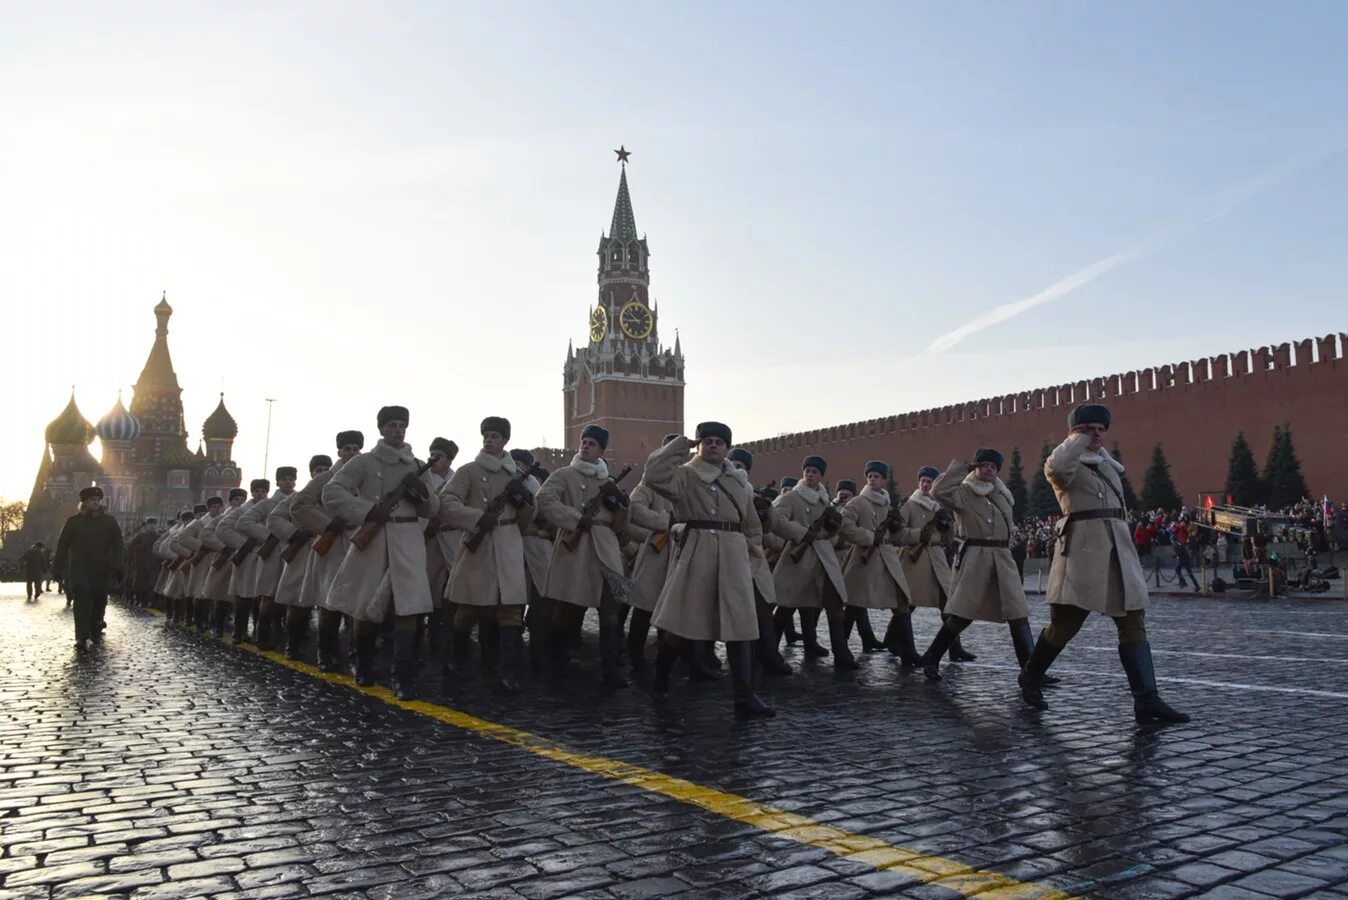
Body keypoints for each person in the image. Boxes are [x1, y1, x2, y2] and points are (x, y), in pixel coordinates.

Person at [1019, 404, 1189, 724]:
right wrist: (1075, 440)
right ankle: (1030, 676)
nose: (1096, 434)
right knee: (1064, 626)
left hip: (1117, 551)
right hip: (1082, 553)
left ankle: (1146, 700)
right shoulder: (1065, 462)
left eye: (1100, 429)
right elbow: (1056, 468)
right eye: (1088, 428)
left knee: (1132, 620)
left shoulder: (1107, 466)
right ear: (1074, 432)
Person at [643, 423, 774, 717]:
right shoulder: (685, 476)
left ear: (728, 447)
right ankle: (661, 679)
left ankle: (745, 695)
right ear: (699, 445)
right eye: (708, 441)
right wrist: (681, 444)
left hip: (733, 554)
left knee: (740, 626)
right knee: (679, 626)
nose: (714, 446)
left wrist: (752, 553)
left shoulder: (740, 483)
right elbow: (652, 475)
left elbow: (751, 523)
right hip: (697, 552)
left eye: (720, 442)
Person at [324, 407, 437, 699]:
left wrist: (420, 495)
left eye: (402, 425)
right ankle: (364, 664)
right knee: (366, 606)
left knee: (408, 608)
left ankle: (403, 676)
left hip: (409, 540)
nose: (398, 430)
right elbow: (332, 492)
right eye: (392, 425)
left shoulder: (418, 464)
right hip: (374, 539)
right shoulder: (363, 462)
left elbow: (434, 509)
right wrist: (369, 511)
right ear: (381, 429)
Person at [438, 417, 536, 691]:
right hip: (478, 544)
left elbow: (529, 516)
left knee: (511, 611)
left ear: (505, 441)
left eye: (495, 436)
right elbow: (447, 502)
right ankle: (456, 657)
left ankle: (505, 668)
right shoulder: (469, 471)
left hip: (508, 543)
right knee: (467, 609)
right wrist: (478, 518)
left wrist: (525, 501)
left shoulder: (516, 476)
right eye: (487, 435)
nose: (489, 440)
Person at [919, 449, 1035, 680]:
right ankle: (932, 658)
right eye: (984, 465)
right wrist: (963, 468)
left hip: (1003, 557)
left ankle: (1032, 671)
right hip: (976, 557)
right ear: (976, 467)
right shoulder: (964, 491)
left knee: (1018, 614)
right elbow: (939, 491)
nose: (989, 469)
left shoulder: (1002, 494)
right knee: (962, 614)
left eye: (994, 466)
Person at [537, 424, 631, 688]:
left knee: (611, 610)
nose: (586, 446)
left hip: (606, 549)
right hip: (576, 548)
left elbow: (620, 522)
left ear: (601, 450)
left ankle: (611, 669)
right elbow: (544, 499)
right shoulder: (563, 474)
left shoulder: (607, 481)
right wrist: (576, 519)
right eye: (584, 442)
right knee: (568, 609)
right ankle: (556, 660)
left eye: (592, 443)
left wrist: (623, 504)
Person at [771, 455, 854, 671]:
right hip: (799, 556)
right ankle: (768, 651)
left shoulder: (824, 501)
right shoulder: (791, 498)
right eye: (807, 470)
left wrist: (831, 533)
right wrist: (803, 533)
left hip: (824, 558)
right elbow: (776, 520)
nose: (810, 474)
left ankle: (842, 654)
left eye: (815, 472)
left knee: (835, 605)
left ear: (821, 476)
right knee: (786, 606)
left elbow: (832, 534)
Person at [292, 431, 365, 671]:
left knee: (359, 599)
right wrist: (327, 524)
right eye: (347, 449)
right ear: (339, 452)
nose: (352, 453)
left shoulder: (366, 477)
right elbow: (299, 505)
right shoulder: (326, 479)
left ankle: (357, 651)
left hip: (360, 542)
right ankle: (325, 650)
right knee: (329, 601)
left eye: (356, 449)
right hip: (332, 544)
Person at [839, 461, 913, 662]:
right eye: (870, 476)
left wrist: (901, 528)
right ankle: (841, 649)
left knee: (901, 602)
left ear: (884, 480)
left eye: (877, 477)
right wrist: (870, 537)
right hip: (864, 561)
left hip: (887, 559)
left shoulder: (887, 505)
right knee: (854, 604)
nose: (873, 480)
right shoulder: (857, 502)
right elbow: (844, 526)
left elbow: (898, 533)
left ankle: (908, 651)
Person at [268, 456, 331, 658]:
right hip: (304, 551)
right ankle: (292, 644)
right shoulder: (299, 496)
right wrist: (294, 533)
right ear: (311, 473)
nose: (322, 472)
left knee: (328, 602)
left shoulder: (338, 492)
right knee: (297, 602)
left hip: (330, 551)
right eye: (318, 469)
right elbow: (275, 518)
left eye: (326, 468)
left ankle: (326, 649)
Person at [894, 466, 955, 667]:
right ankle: (898, 644)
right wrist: (921, 534)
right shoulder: (910, 505)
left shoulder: (939, 507)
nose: (927, 485)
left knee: (948, 601)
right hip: (915, 558)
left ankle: (954, 647)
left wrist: (947, 527)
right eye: (924, 481)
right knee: (908, 604)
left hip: (937, 557)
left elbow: (949, 538)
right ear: (919, 483)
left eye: (930, 482)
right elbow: (899, 533)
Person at [53, 486, 123, 651]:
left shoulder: (109, 521)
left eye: (98, 500)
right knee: (82, 600)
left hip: (102, 568)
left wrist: (117, 566)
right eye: (92, 500)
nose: (96, 502)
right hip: (80, 568)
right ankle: (81, 636)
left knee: (99, 600)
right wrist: (58, 568)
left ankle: (95, 629)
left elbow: (118, 544)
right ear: (84, 502)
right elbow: (62, 545)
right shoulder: (73, 522)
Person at [241, 467, 298, 649]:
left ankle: (290, 640)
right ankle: (262, 636)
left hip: (293, 551)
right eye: (284, 479)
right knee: (268, 596)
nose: (288, 482)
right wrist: (269, 535)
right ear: (278, 482)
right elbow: (244, 522)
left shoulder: (300, 500)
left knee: (292, 597)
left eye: (291, 479)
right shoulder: (267, 504)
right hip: (272, 553)